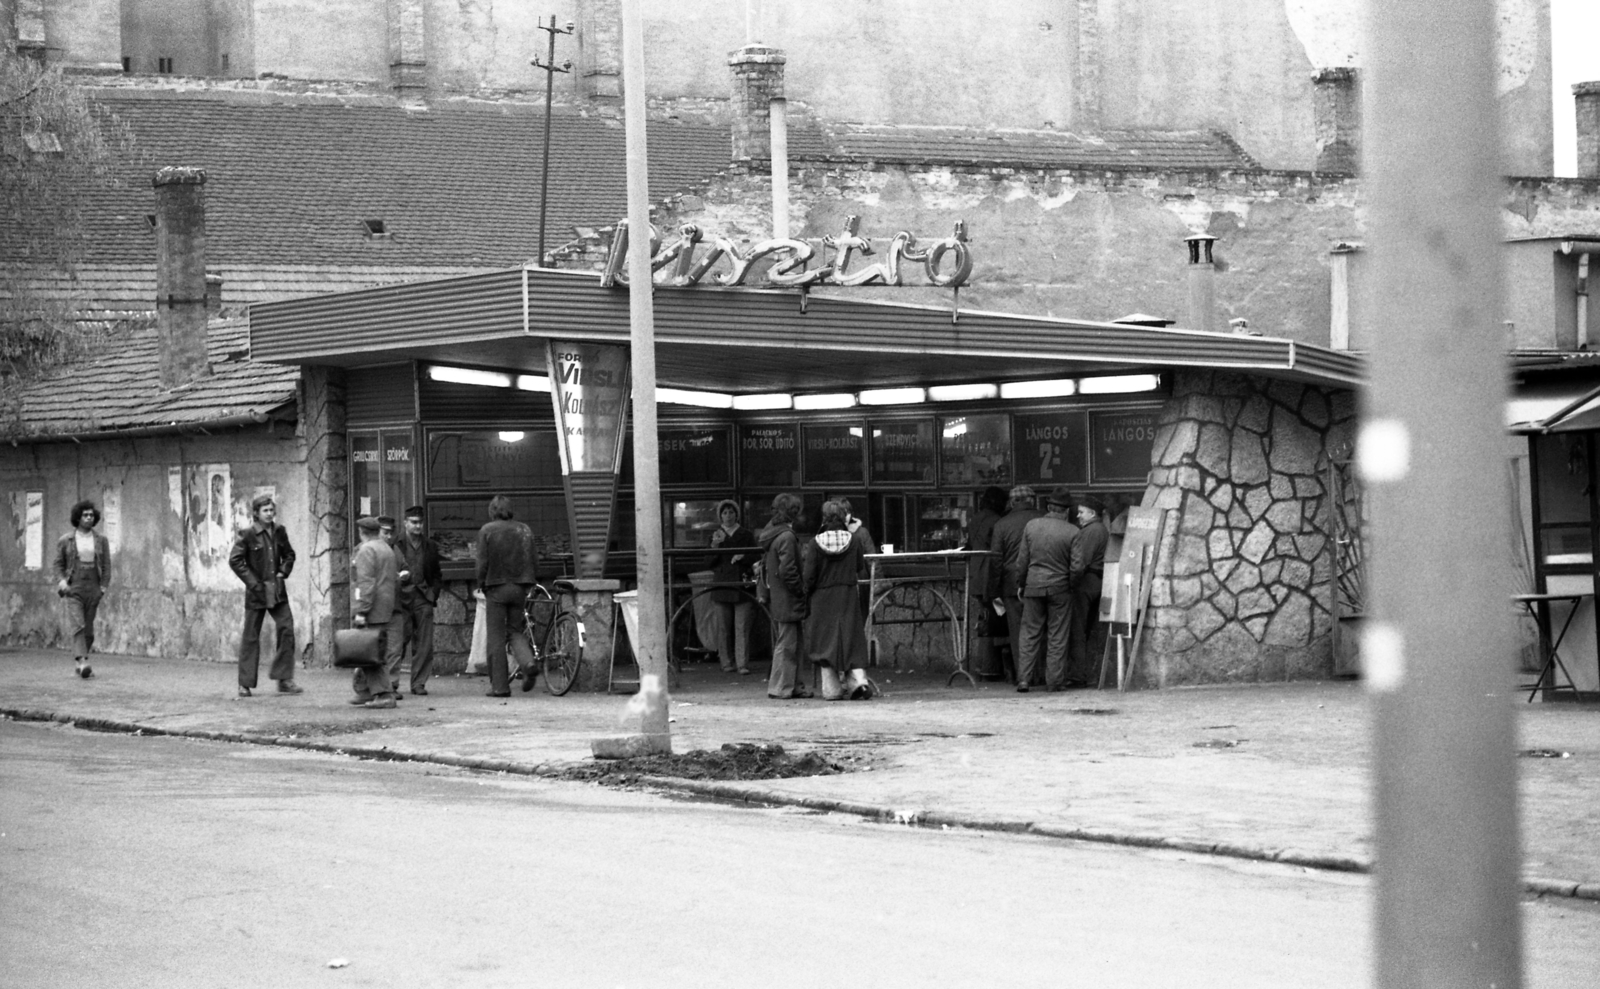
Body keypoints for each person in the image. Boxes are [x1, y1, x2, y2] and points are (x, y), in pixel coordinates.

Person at [228, 494, 302, 698]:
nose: (269, 514)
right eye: (265, 511)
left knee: (286, 628)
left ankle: (284, 679)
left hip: (277, 591)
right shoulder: (248, 534)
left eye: (271, 510)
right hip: (257, 593)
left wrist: (282, 572)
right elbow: (235, 560)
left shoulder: (280, 532)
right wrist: (253, 583)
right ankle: (245, 684)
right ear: (256, 513)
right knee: (251, 637)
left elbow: (289, 555)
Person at [804, 500, 873, 700]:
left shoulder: (815, 544)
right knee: (851, 638)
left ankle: (832, 689)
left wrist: (806, 593)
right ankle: (858, 683)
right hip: (848, 594)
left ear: (824, 518)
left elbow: (809, 576)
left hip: (823, 597)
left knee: (826, 642)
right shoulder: (854, 540)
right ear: (844, 517)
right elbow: (860, 565)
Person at [1015, 486, 1081, 692]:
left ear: (1048, 507)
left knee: (1029, 633)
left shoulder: (1031, 526)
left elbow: (1021, 562)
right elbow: (1077, 567)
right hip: (1060, 589)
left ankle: (1024, 679)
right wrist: (1070, 585)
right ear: (1067, 511)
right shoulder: (1073, 531)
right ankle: (1054, 682)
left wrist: (1021, 584)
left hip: (1033, 586)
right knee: (1057, 635)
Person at [475, 494, 539, 698]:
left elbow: (482, 563)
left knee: (496, 636)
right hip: (520, 587)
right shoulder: (524, 529)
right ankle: (528, 662)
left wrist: (481, 583)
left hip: (496, 588)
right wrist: (529, 583)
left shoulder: (487, 530)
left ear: (492, 510)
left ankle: (500, 687)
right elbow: (533, 560)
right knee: (515, 630)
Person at [759, 493, 812, 700]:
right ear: (793, 512)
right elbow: (788, 570)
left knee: (790, 642)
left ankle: (792, 685)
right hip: (789, 597)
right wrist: (801, 589)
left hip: (780, 596)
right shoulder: (787, 537)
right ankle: (782, 687)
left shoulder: (773, 534)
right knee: (789, 643)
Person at [988, 485, 1042, 684]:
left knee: (1018, 632)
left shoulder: (1002, 524)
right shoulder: (1044, 518)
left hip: (1011, 585)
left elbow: (996, 560)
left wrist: (993, 589)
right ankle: (1042, 674)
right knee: (1041, 629)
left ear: (1012, 503)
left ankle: (1024, 677)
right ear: (1033, 500)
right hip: (1039, 581)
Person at [54, 499, 110, 679]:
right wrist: (62, 581)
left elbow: (107, 565)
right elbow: (58, 564)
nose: (88, 518)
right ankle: (83, 661)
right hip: (74, 587)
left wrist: (103, 588)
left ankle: (80, 661)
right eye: (85, 515)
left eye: (91, 515)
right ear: (78, 518)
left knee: (88, 629)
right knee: (78, 624)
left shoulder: (101, 540)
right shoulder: (66, 540)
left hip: (93, 587)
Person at [349, 516, 401, 708]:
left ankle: (384, 694)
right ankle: (363, 690)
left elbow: (366, 583)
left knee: (371, 652)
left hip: (372, 608)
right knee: (369, 649)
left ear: (362, 532)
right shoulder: (386, 548)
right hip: (385, 606)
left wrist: (362, 610)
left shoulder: (366, 550)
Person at [395, 506, 443, 696]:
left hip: (424, 596)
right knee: (399, 640)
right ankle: (391, 683)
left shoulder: (430, 545)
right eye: (413, 522)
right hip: (403, 597)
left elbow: (437, 573)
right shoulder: (397, 544)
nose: (418, 526)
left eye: (420, 522)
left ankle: (418, 683)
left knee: (424, 644)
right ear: (405, 523)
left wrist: (434, 593)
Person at [705, 499, 757, 675]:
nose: (728, 516)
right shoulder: (715, 535)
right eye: (725, 513)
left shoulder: (746, 535)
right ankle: (726, 662)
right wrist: (714, 546)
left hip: (742, 584)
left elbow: (756, 556)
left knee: (742, 627)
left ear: (737, 514)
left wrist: (744, 557)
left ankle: (742, 663)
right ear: (720, 516)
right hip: (722, 584)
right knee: (724, 627)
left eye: (731, 512)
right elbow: (708, 562)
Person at [1069, 495, 1111, 687]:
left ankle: (1078, 674)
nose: (1078, 516)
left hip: (1087, 581)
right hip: (1098, 580)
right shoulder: (1101, 529)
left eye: (1081, 512)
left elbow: (1081, 561)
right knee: (1091, 630)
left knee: (1078, 629)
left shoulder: (1091, 531)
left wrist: (1070, 582)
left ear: (1092, 513)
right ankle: (1090, 673)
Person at [967, 486, 1010, 678]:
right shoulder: (997, 521)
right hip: (990, 574)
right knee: (996, 620)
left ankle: (984, 667)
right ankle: (991, 667)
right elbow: (998, 551)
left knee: (985, 620)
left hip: (976, 573)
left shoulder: (976, 518)